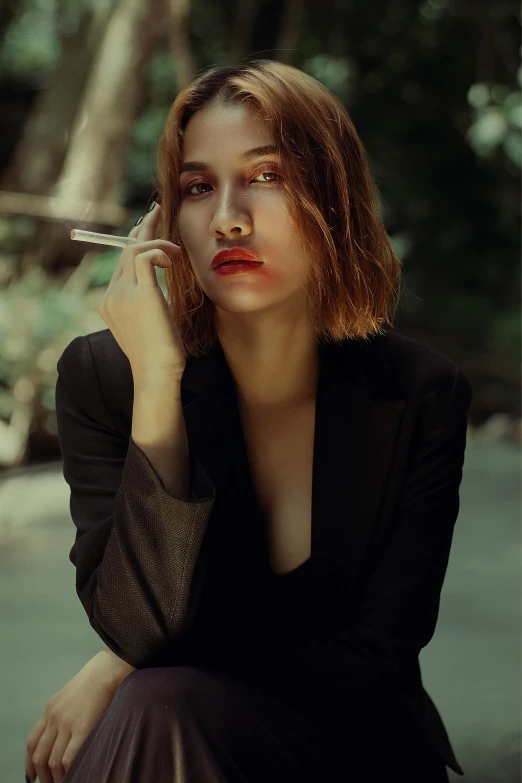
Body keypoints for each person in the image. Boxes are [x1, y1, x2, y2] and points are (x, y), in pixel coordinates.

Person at [25, 59, 472, 783]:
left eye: (266, 176)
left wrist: (115, 666)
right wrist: (159, 386)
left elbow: (376, 653)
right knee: (159, 703)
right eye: (197, 188)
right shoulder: (107, 377)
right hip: (176, 731)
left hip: (357, 745)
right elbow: (141, 625)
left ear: (334, 199)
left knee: (149, 695)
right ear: (165, 224)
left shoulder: (419, 393)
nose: (228, 215)